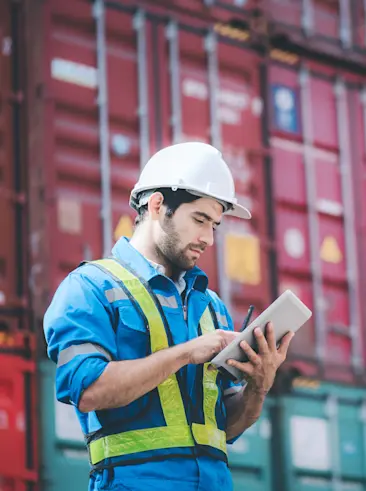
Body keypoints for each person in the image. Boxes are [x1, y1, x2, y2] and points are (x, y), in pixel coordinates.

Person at [43, 142, 294, 491]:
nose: (208, 238)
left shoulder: (211, 307)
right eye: (199, 220)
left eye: (215, 226)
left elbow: (226, 428)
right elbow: (88, 389)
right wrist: (186, 352)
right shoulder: (91, 287)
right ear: (158, 205)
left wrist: (259, 384)